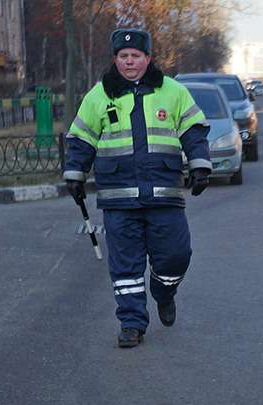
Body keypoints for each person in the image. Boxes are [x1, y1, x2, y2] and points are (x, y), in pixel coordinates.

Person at [61, 29, 211, 348]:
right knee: (126, 267)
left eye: (135, 56)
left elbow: (193, 131)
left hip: (164, 194)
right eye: (123, 56)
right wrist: (75, 173)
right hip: (118, 198)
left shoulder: (173, 91)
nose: (129, 61)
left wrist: (200, 165)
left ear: (148, 58)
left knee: (176, 256)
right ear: (115, 59)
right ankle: (131, 323)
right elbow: (82, 138)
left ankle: (164, 292)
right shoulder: (99, 95)